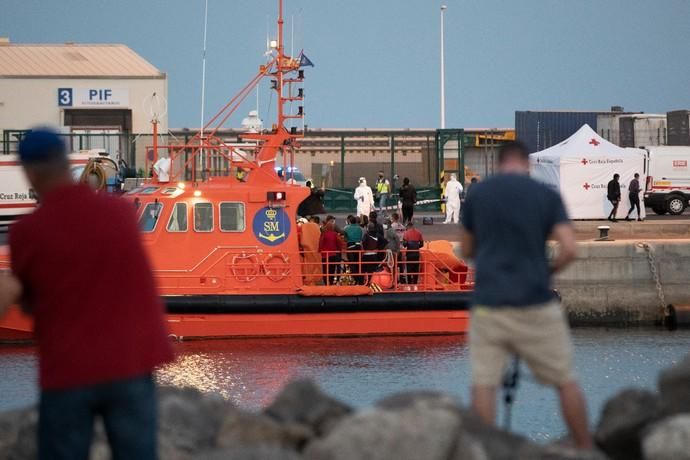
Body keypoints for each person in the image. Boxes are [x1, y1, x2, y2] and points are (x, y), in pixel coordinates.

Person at [7, 128, 174, 459]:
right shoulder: (122, 214)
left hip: (69, 368)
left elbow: (29, 298)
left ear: (29, 171)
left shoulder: (28, 232)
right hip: (132, 362)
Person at [460, 140, 592, 449]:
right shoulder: (546, 195)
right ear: (527, 164)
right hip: (536, 302)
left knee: (484, 384)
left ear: (499, 164)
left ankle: (484, 453)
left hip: (489, 305)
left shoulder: (479, 194)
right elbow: (570, 248)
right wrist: (546, 272)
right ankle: (586, 448)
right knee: (565, 380)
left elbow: (466, 249)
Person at [319, 220, 344, 285]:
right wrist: (340, 250)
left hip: (324, 255)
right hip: (333, 255)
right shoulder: (335, 234)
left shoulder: (323, 234)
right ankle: (331, 282)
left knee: (325, 270)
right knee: (332, 270)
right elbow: (339, 243)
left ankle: (326, 283)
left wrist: (319, 250)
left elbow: (320, 243)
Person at [344, 215, 364, 284]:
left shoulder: (346, 228)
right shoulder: (360, 229)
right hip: (358, 247)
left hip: (350, 247)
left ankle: (355, 279)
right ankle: (360, 279)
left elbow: (345, 238)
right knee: (358, 263)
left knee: (352, 264)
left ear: (349, 221)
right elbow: (361, 238)